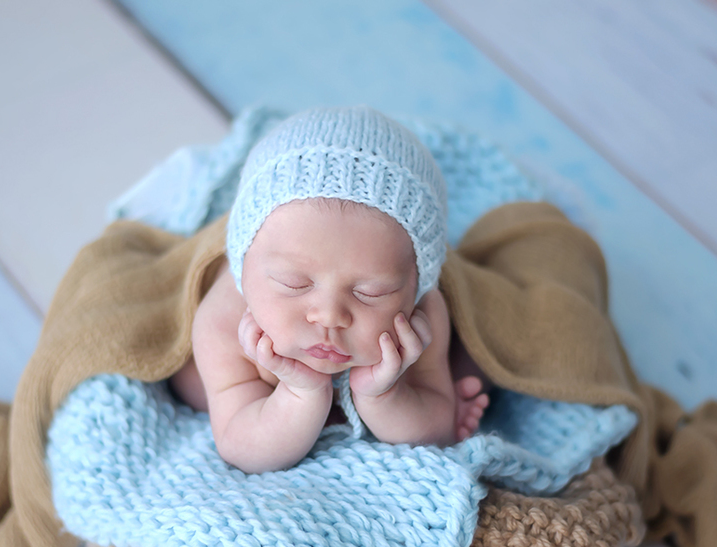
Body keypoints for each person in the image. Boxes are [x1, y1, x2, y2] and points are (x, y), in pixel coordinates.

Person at [167, 106, 491, 473]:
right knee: (189, 382)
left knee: (479, 358)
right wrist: (300, 393)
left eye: (371, 292)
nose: (329, 315)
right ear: (244, 268)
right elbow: (241, 446)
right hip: (244, 395)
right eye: (295, 284)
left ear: (417, 286)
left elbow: (434, 437)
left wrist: (384, 395)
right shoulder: (225, 322)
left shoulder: (422, 314)